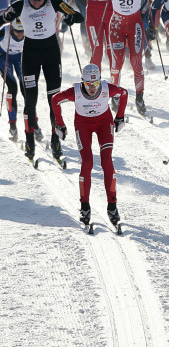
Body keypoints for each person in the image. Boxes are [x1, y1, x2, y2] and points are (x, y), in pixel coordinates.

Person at [0, 0, 83, 160]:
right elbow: (3, 17)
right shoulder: (20, 5)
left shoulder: (53, 2)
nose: (37, 3)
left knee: (54, 98)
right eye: (33, 0)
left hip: (51, 53)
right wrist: (6, 17)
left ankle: (55, 141)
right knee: (30, 99)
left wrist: (71, 18)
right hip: (30, 55)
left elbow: (78, 16)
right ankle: (29, 140)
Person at [51, 63, 128, 227]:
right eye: (88, 84)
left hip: (103, 123)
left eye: (95, 84)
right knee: (87, 162)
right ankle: (85, 206)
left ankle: (112, 206)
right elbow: (55, 99)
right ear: (82, 82)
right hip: (83, 125)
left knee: (106, 160)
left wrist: (120, 117)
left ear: (100, 81)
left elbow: (124, 93)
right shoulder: (75, 92)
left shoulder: (107, 89)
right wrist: (59, 124)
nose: (92, 88)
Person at [95, 0, 160, 115]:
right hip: (116, 25)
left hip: (135, 25)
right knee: (116, 63)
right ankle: (115, 95)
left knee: (136, 62)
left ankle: (139, 97)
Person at [0, 19, 25, 141]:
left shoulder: (29, 30)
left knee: (26, 89)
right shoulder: (4, 30)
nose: (20, 34)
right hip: (4, 57)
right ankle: (13, 125)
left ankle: (32, 123)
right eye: (17, 31)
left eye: (22, 31)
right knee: (13, 88)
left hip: (20, 57)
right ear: (11, 29)